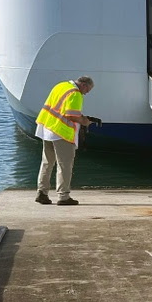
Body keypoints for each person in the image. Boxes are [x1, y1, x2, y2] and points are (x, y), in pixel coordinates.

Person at [35, 76, 97, 206]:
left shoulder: (61, 86)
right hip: (61, 133)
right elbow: (71, 115)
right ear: (84, 85)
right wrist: (84, 121)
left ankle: (42, 193)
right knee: (65, 165)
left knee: (47, 162)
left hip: (47, 128)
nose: (86, 93)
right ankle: (63, 196)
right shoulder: (75, 93)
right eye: (88, 90)